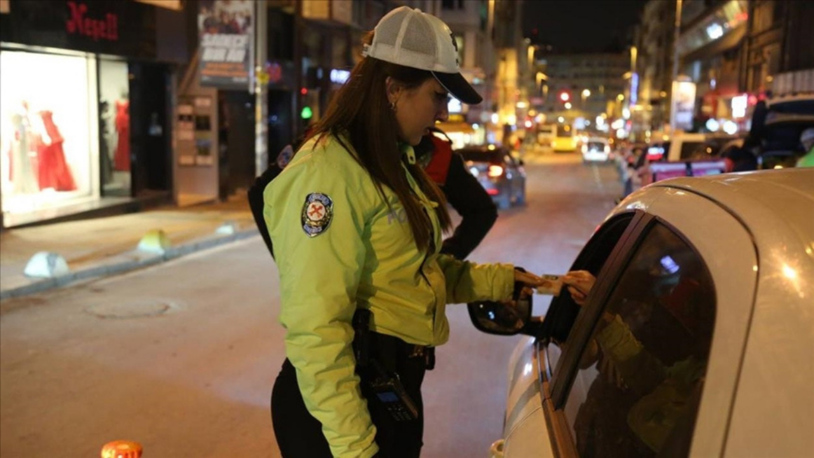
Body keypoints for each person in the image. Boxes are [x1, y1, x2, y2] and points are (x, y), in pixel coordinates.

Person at [263, 7, 548, 458]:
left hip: (389, 391)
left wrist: (507, 279)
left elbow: (415, 273)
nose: (444, 110)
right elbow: (317, 330)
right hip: (340, 413)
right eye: (438, 95)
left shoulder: (395, 162)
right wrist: (356, 448)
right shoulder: (329, 171)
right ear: (393, 89)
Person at [414, 127, 498, 259]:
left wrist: (444, 258)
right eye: (437, 104)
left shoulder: (439, 156)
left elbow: (482, 211)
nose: (444, 115)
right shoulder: (371, 153)